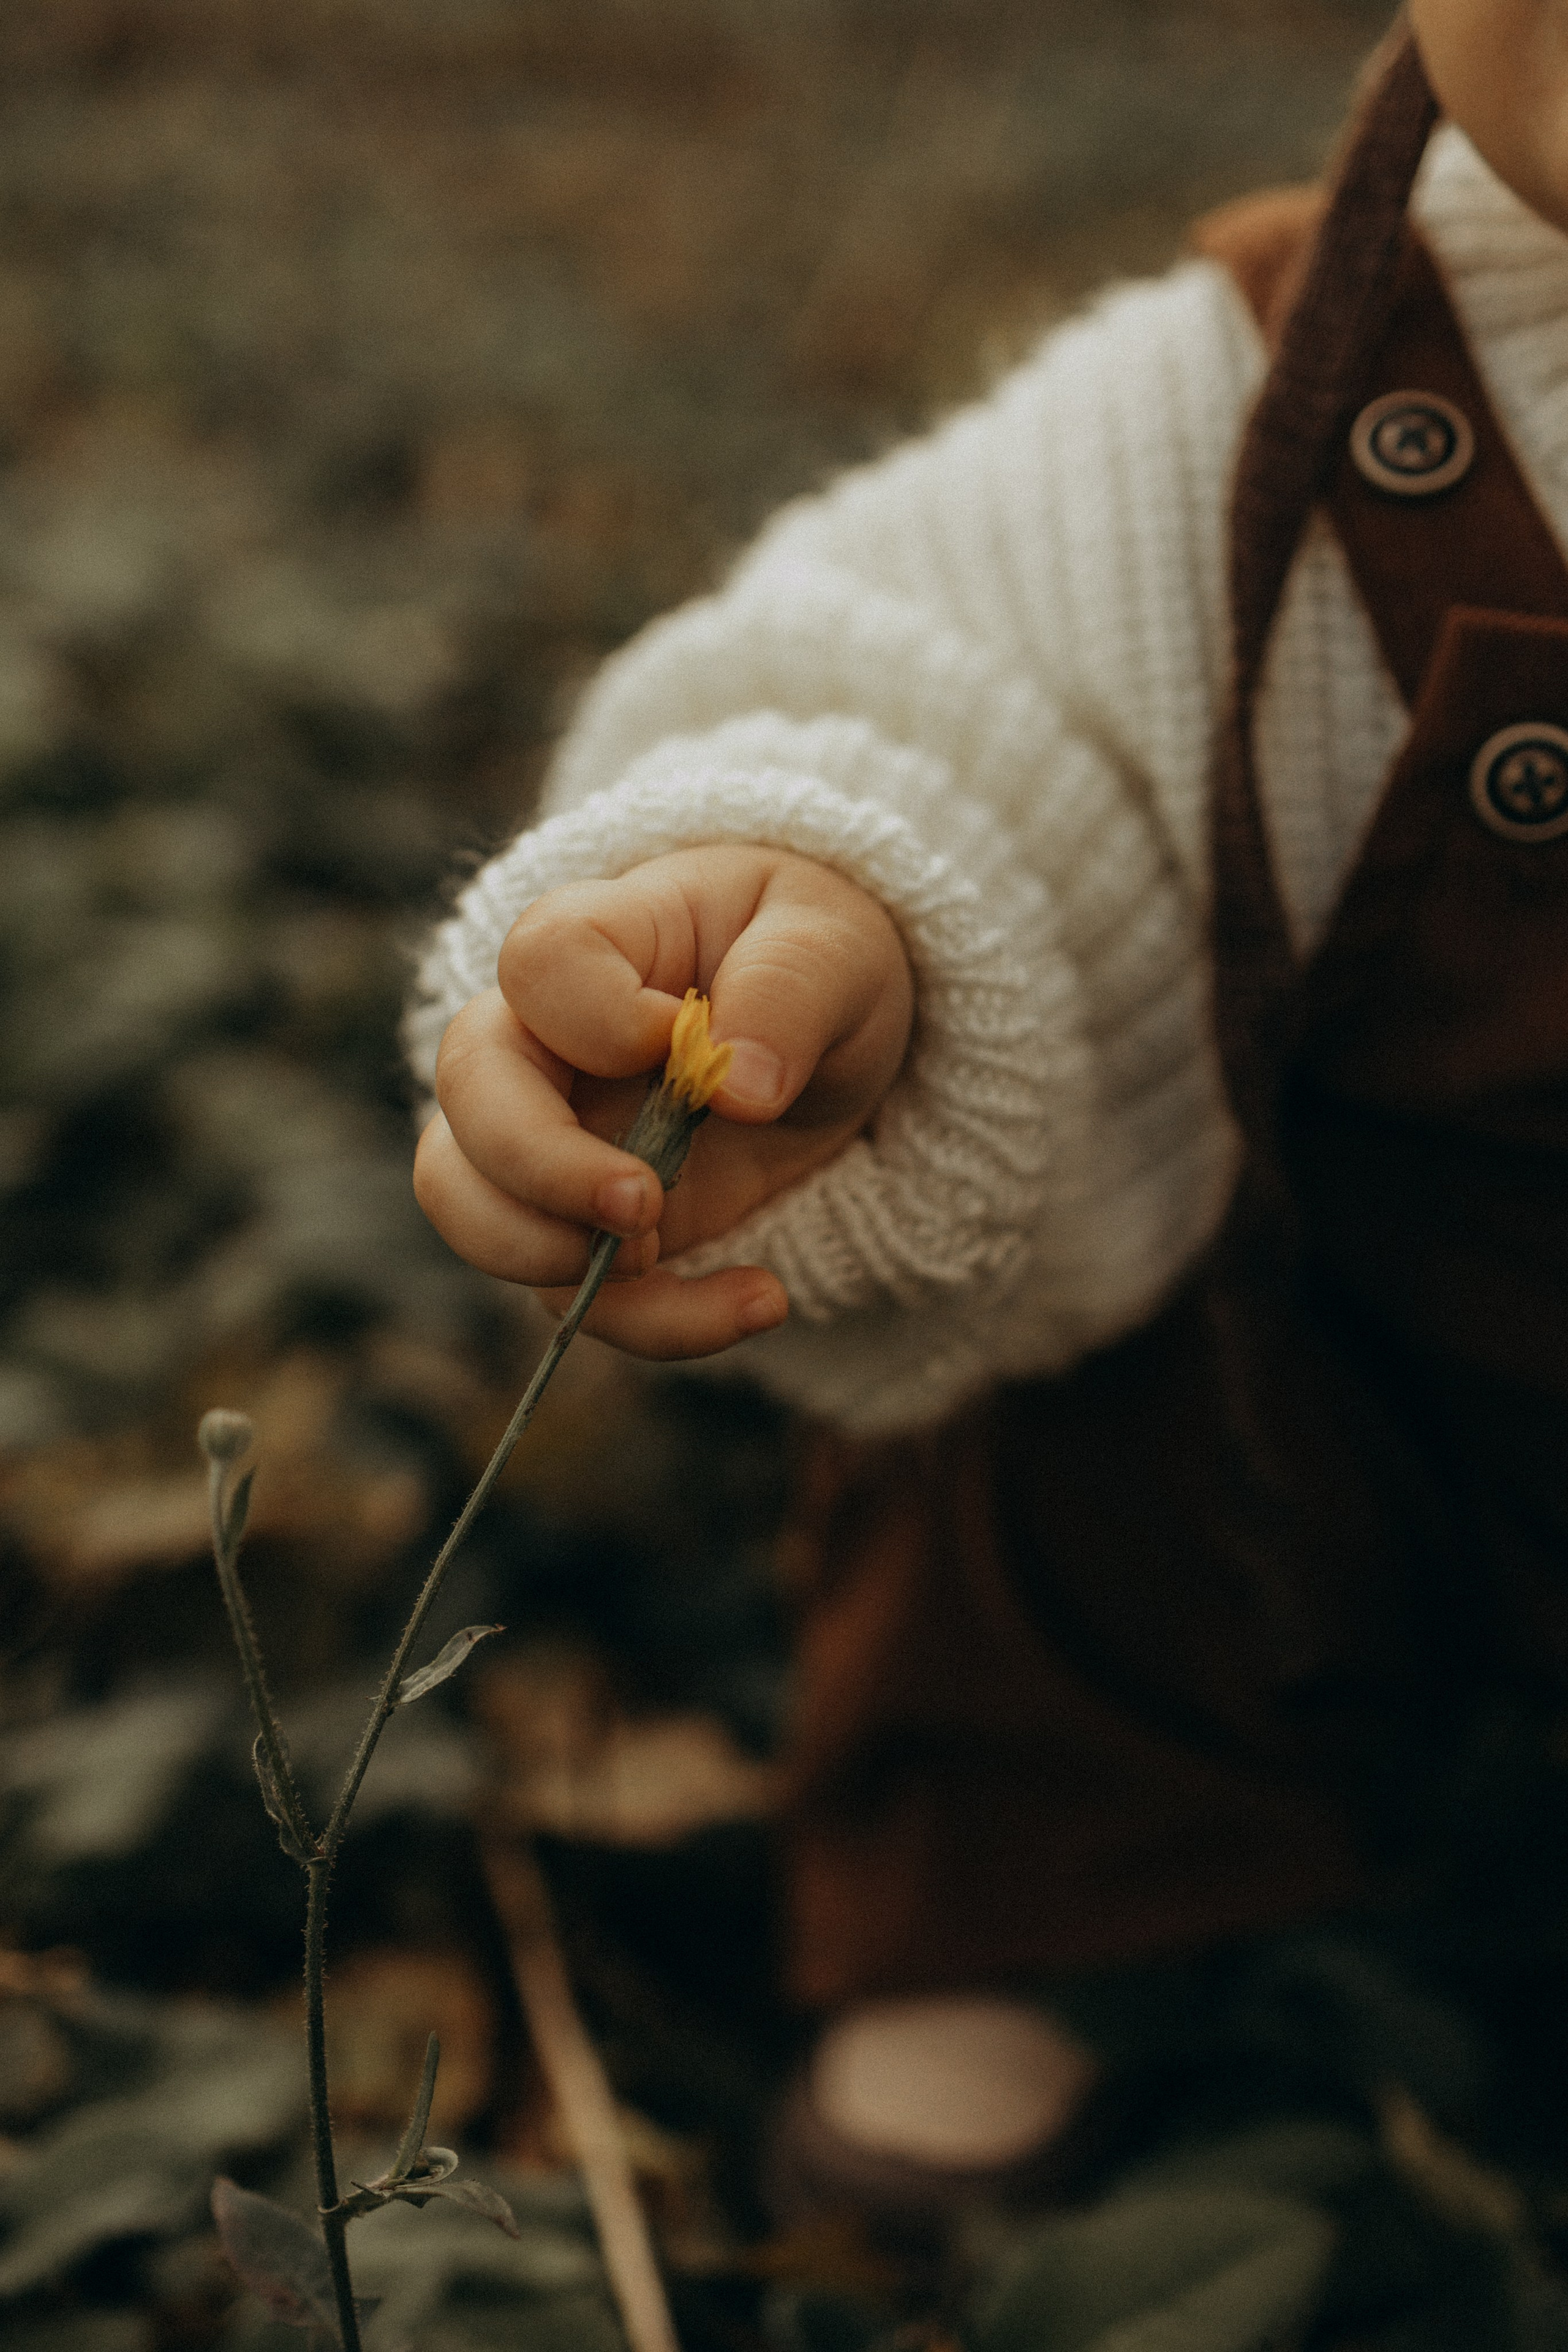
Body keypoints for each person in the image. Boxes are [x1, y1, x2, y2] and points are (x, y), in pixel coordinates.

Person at [407, 1, 1568, 2216]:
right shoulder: (1245, 424)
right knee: (1049, 1419)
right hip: (1347, 1414)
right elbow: (944, 704)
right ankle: (1028, 1906)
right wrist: (831, 917)